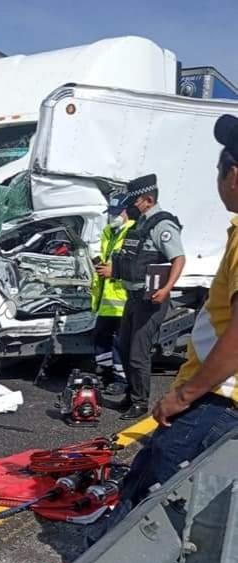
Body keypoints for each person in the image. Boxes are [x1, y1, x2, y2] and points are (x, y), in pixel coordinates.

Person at [31, 114, 238, 563]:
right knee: (181, 505)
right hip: (218, 400)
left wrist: (183, 397)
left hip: (216, 401)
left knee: (150, 501)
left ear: (234, 173)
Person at [105, 173, 186, 419]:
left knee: (139, 352)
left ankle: (140, 402)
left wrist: (166, 289)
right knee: (126, 346)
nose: (132, 206)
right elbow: (135, 260)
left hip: (150, 299)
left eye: (136, 201)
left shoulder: (162, 225)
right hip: (134, 297)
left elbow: (179, 258)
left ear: (148, 200)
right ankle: (131, 395)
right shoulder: (140, 223)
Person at [92, 193, 135, 389]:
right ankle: (104, 373)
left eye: (117, 212)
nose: (113, 216)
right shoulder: (109, 231)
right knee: (101, 338)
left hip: (123, 298)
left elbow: (135, 266)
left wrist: (113, 271)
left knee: (120, 342)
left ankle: (121, 379)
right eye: (111, 212)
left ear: (126, 211)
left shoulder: (133, 232)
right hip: (106, 299)